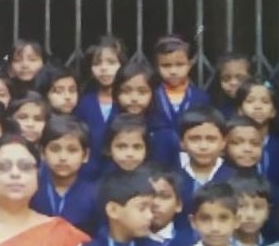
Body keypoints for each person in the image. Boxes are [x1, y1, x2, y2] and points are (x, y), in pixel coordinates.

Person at [31, 115, 98, 235]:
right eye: (55, 149)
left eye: (72, 150)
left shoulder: (95, 194)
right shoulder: (31, 188)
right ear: (42, 153)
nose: (63, 157)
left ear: (85, 155)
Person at [76, 36, 127, 179]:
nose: (104, 68)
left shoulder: (128, 102)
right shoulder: (84, 102)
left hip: (122, 175)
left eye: (111, 62)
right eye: (97, 63)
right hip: (87, 174)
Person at [115, 60, 178, 168]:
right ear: (116, 94)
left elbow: (173, 172)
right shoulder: (110, 129)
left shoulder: (164, 135)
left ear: (153, 94)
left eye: (142, 92)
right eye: (126, 91)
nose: (134, 98)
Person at [177, 109, 235, 215]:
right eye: (195, 139)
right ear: (182, 142)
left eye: (211, 139)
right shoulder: (173, 177)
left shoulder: (235, 178)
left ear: (223, 142)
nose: (203, 146)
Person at [151, 35, 208, 135]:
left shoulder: (200, 97)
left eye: (180, 65)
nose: (173, 71)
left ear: (189, 65)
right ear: (157, 67)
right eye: (166, 65)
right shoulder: (152, 96)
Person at [147, 165, 195, 246]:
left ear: (178, 205)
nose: (155, 203)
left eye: (164, 196)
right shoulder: (128, 241)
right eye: (149, 195)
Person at [209, 52, 254, 120]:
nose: (233, 83)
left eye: (240, 78)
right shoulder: (214, 109)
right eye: (226, 79)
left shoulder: (261, 107)